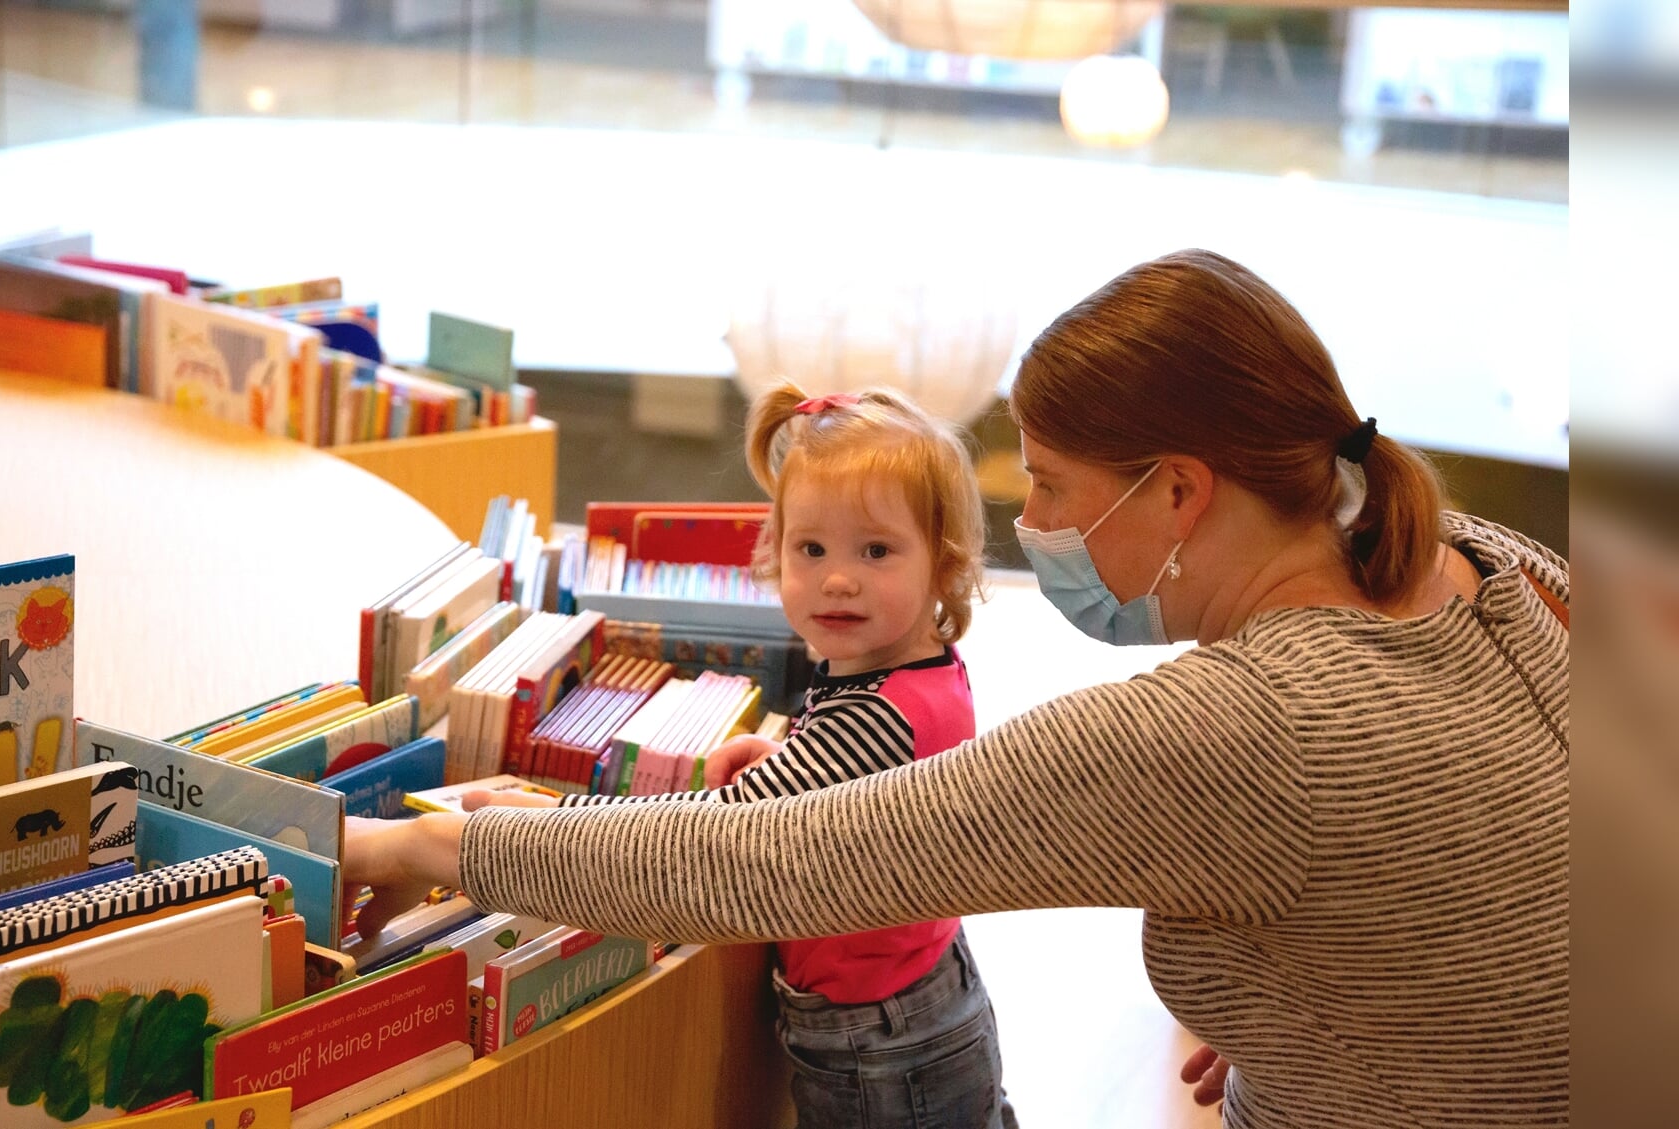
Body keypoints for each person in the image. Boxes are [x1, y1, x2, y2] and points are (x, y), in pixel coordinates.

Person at [346, 249, 1569, 1128]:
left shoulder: (1250, 723)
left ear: (1181, 492)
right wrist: (1339, 1008)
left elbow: (769, 863)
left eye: (1049, 486)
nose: (1028, 524)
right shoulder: (1487, 560)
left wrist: (439, 850)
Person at [460, 382, 1018, 1129]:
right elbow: (864, 773)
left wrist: (546, 818)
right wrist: (787, 748)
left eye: (876, 550)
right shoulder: (915, 662)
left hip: (878, 1042)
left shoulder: (876, 711)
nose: (838, 576)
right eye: (810, 548)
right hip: (927, 986)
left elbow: (712, 834)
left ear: (942, 562)